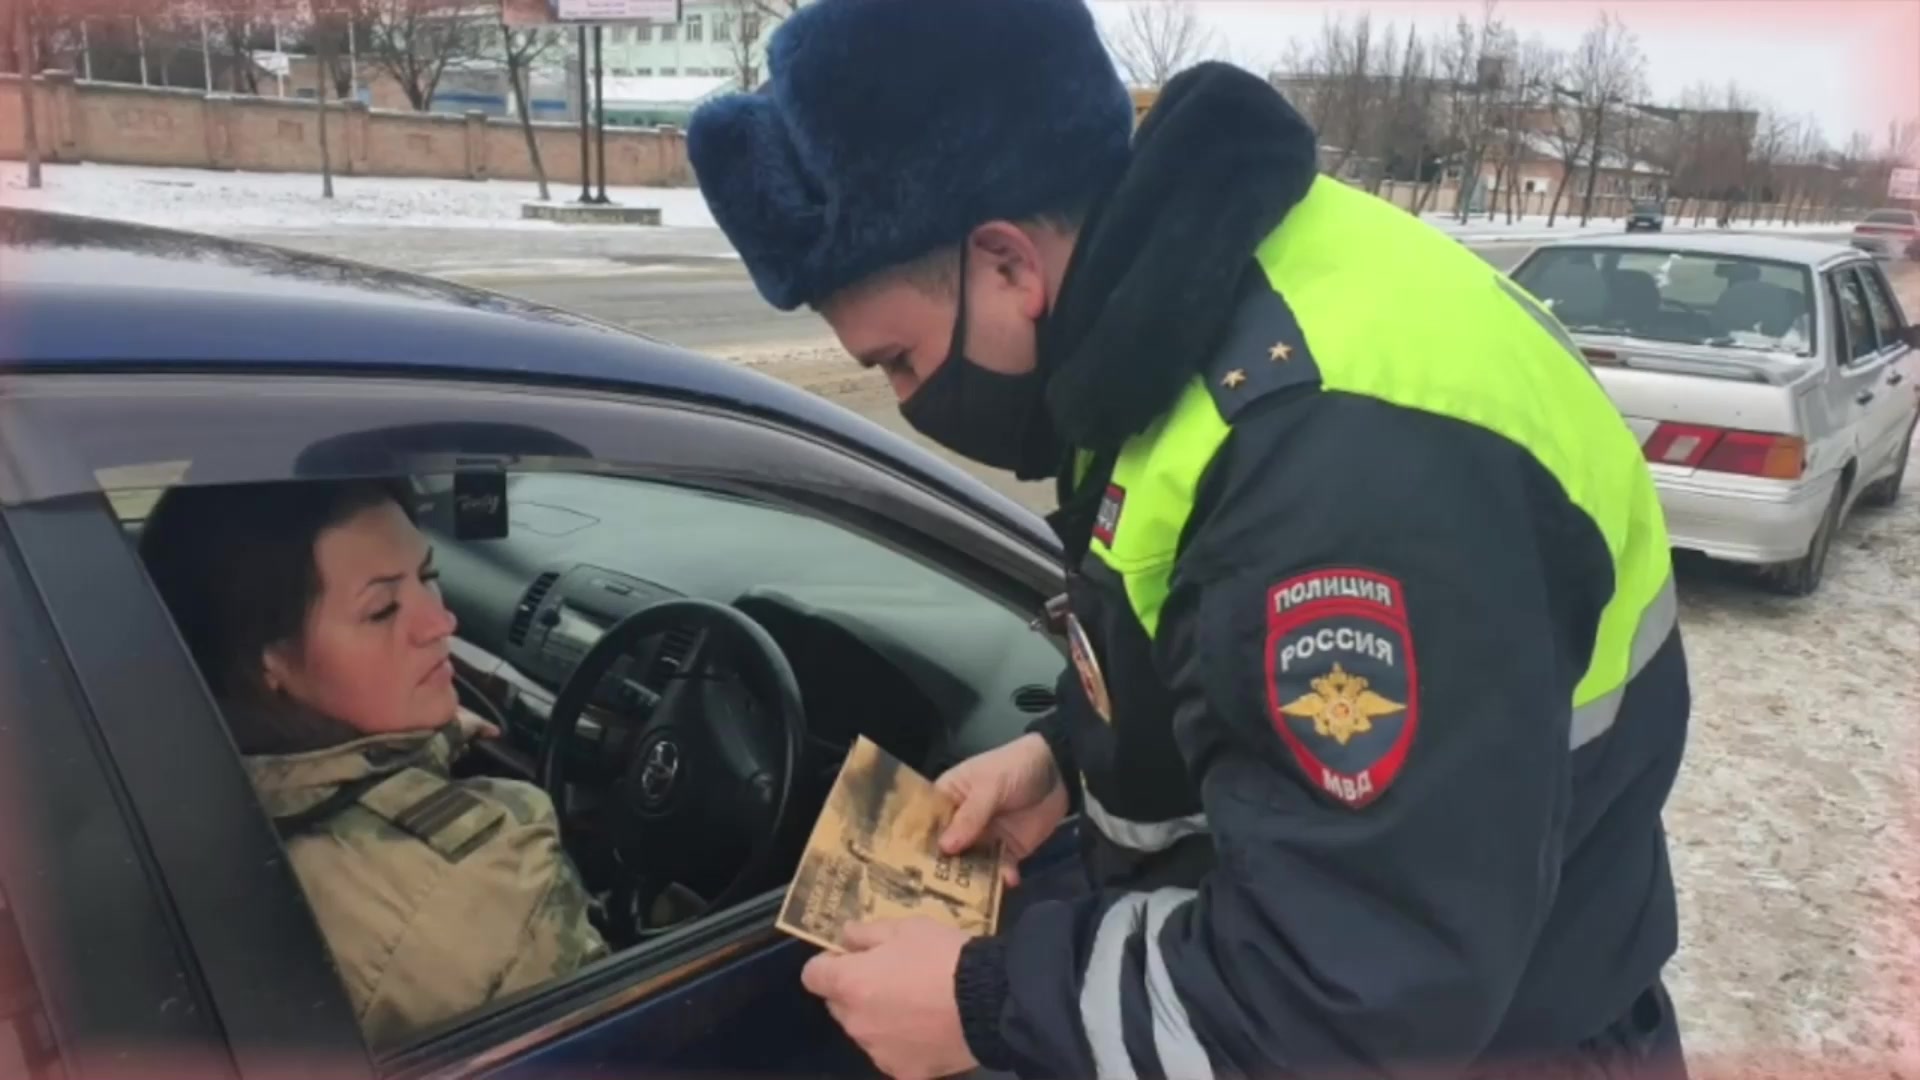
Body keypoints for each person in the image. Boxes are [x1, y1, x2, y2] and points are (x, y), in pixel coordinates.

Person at [684, 1, 1693, 1078]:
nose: (905, 398)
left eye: (898, 360)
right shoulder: (1177, 312)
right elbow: (1213, 632)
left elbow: (1353, 995)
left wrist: (984, 1005)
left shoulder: (1333, 461)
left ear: (1007, 264)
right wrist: (1065, 758)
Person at [138, 478, 608, 1052]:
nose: (441, 623)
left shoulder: (163, 770)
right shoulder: (493, 867)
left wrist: (429, 739)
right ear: (270, 662)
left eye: (429, 577)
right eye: (383, 610)